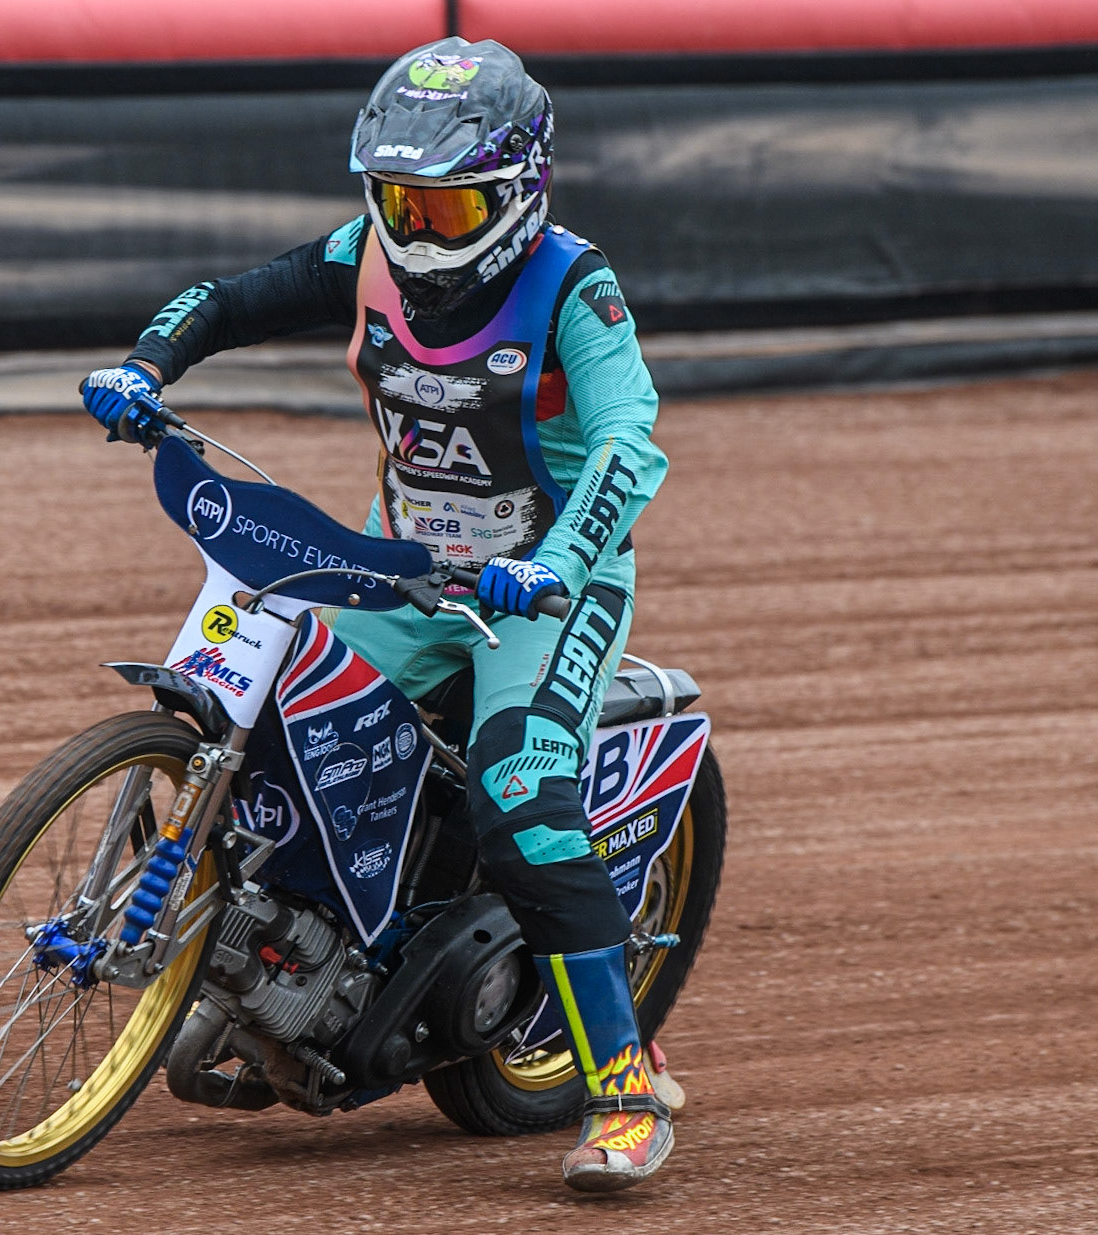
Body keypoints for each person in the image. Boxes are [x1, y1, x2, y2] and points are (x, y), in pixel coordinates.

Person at [80, 38, 679, 1193]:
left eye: (448, 207)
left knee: (523, 792)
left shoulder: (576, 288)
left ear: (518, 194)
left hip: (546, 586)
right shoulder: (366, 256)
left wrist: (554, 565)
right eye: (400, 198)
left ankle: (624, 1083)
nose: (418, 228)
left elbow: (626, 446)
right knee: (278, 729)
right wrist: (145, 366)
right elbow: (227, 298)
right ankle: (283, 983)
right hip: (401, 569)